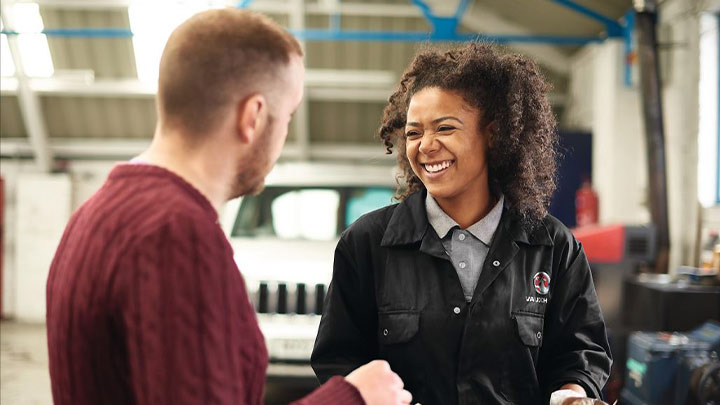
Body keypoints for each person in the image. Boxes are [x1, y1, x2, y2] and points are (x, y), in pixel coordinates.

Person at [46, 9, 412, 405]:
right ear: (253, 116)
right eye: (286, 116)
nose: (284, 135)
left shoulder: (94, 213)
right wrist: (353, 398)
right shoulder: (176, 234)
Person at [311, 43, 612, 405]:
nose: (426, 146)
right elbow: (338, 361)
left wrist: (573, 394)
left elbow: (580, 354)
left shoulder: (553, 246)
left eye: (444, 128)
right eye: (413, 133)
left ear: (494, 134)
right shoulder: (367, 243)